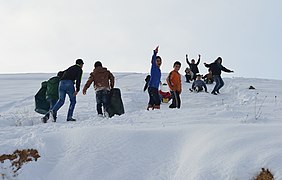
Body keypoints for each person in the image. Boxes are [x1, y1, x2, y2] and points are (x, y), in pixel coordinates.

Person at [147, 46, 162, 110]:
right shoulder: (154, 67)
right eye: (157, 61)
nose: (159, 62)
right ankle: (156, 112)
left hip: (154, 87)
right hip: (152, 87)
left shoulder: (158, 70)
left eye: (160, 61)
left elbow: (156, 77)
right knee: (157, 101)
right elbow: (153, 60)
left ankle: (150, 110)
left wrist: (159, 81)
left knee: (152, 100)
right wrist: (155, 53)